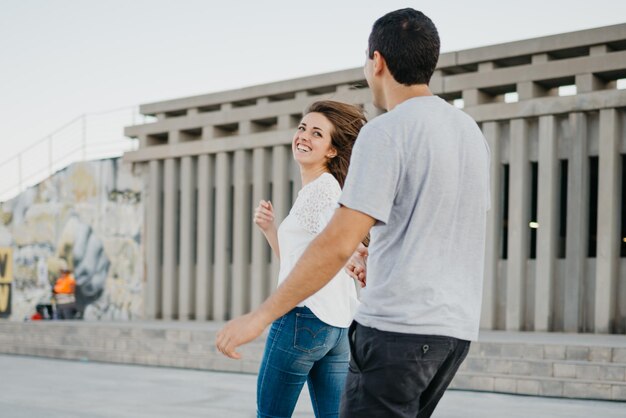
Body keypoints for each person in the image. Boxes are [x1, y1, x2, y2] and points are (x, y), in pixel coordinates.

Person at [217, 8, 490, 418]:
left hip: (396, 333)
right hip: (454, 333)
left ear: (376, 61)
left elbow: (336, 242)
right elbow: (442, 229)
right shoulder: (469, 132)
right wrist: (372, 257)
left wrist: (261, 316)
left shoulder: (387, 130)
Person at [253, 100, 366, 417]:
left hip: (302, 318)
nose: (303, 136)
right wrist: (270, 230)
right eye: (302, 127)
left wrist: (354, 258)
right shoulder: (320, 189)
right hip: (335, 327)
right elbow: (303, 261)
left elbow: (338, 244)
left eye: (317, 133)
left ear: (331, 150)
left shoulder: (323, 190)